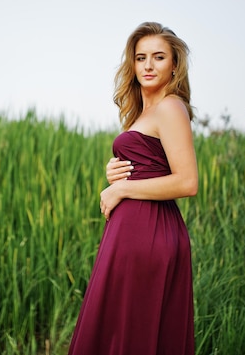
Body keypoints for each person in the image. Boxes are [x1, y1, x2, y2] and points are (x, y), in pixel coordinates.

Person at [67, 22, 198, 355]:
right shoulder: (146, 112)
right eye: (141, 58)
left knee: (132, 330)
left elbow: (187, 181)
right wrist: (118, 174)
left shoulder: (169, 107)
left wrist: (122, 191)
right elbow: (153, 165)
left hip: (148, 235)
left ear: (174, 65)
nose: (148, 66)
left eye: (158, 57)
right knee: (122, 328)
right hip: (134, 232)